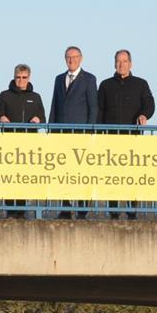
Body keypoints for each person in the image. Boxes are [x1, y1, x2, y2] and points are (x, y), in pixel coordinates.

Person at [97, 49, 154, 219]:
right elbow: (99, 111)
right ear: (114, 63)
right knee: (113, 177)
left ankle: (131, 211)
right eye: (118, 61)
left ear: (130, 63)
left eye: (124, 61)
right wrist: (99, 134)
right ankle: (113, 211)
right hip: (111, 138)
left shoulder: (141, 84)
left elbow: (149, 104)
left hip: (132, 138)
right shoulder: (105, 85)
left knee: (131, 177)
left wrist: (144, 114)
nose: (121, 64)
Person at [49, 46, 97, 219]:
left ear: (81, 58)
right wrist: (51, 130)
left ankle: (82, 208)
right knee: (63, 173)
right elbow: (54, 105)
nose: (71, 60)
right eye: (68, 57)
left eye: (75, 57)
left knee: (81, 173)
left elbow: (93, 107)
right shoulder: (59, 79)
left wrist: (90, 132)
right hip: (62, 134)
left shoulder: (89, 79)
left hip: (81, 134)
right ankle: (65, 207)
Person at [0, 64, 46, 219]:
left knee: (23, 177)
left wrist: (38, 119)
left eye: (24, 77)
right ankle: (10, 210)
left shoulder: (35, 97)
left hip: (28, 144)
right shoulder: (4, 95)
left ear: (28, 78)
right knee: (10, 177)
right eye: (18, 77)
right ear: (14, 77)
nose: (21, 80)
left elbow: (43, 117)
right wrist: (1, 118)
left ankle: (21, 210)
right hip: (10, 143)